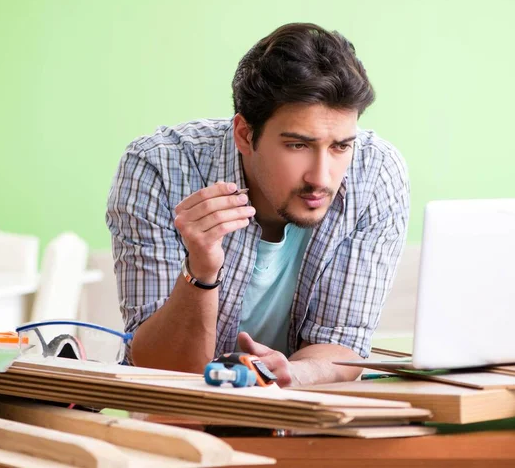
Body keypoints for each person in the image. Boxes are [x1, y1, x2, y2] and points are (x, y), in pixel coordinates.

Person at [106, 22, 409, 387]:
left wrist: (291, 373)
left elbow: (342, 344)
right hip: (178, 419)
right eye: (298, 145)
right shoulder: (160, 167)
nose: (322, 177)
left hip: (302, 417)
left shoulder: (376, 173)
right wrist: (200, 271)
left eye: (340, 146)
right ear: (245, 135)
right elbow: (161, 371)